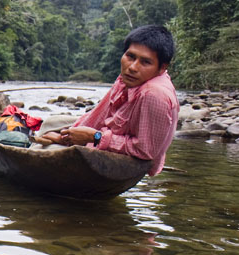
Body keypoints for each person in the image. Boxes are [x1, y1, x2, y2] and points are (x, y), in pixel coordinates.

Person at [39, 25, 179, 176]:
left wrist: (94, 137)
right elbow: (99, 115)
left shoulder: (154, 95)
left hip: (130, 160)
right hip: (112, 133)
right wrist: (66, 137)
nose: (132, 67)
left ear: (162, 67)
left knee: (52, 152)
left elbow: (145, 152)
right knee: (51, 123)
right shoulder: (129, 78)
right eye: (130, 56)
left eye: (145, 62)